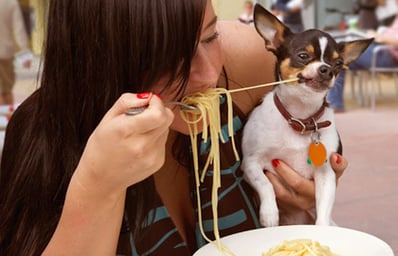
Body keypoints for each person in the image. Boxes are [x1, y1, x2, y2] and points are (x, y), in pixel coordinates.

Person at [0, 0, 348, 255]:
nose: (208, 76)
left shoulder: (244, 62)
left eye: (211, 37)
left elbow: (316, 128)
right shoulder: (43, 132)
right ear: (95, 59)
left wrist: (309, 183)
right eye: (166, 56)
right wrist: (97, 187)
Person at [328, 10, 398, 112]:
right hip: (381, 50)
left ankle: (335, 104)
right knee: (338, 62)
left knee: (339, 57)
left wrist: (380, 37)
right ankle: (334, 104)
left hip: (387, 56)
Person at [0, 0, 32, 105]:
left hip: (5, 52)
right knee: (6, 91)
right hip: (5, 53)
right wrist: (25, 53)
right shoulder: (11, 3)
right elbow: (19, 30)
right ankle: (8, 119)